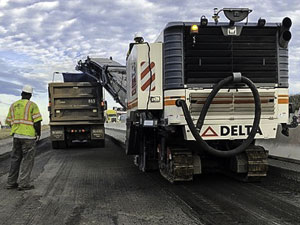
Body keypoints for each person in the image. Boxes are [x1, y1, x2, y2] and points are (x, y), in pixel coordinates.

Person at [5, 85, 42, 190]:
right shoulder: (32, 105)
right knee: (27, 160)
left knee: (15, 159)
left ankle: (11, 183)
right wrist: (38, 134)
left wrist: (17, 128)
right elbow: (37, 121)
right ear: (30, 95)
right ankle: (24, 183)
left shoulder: (13, 105)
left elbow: (8, 122)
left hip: (16, 136)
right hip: (28, 137)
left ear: (21, 94)